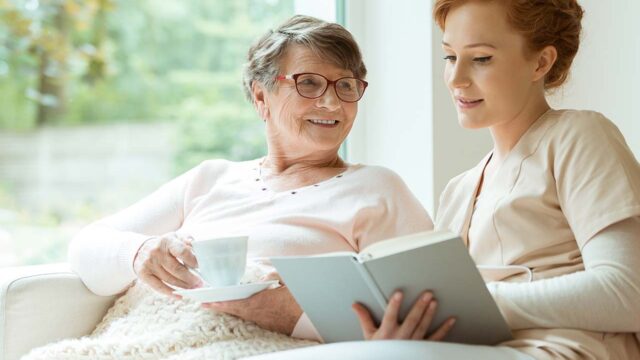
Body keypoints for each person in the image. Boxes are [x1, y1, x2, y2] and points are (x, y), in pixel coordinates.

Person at [68, 15, 438, 339]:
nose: (332, 103)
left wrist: (291, 316)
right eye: (309, 83)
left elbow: (428, 309)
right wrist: (139, 253)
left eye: (346, 85)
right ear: (262, 97)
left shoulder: (376, 189)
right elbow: (87, 248)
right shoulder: (211, 178)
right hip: (149, 340)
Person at [349, 1, 640, 359]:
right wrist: (406, 332)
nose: (456, 79)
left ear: (541, 62)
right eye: (450, 57)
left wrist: (482, 300)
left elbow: (628, 291)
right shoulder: (457, 192)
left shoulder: (578, 136)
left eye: (481, 58)